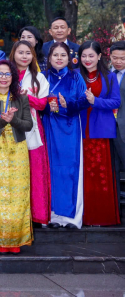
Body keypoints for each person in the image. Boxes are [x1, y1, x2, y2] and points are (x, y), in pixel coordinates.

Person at [0, 60, 34, 253]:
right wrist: (3, 121)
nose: (3, 78)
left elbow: (28, 125)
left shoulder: (21, 99)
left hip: (17, 149)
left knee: (18, 194)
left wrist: (14, 120)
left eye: (7, 74)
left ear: (13, 77)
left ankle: (17, 239)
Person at [42, 42, 87, 229]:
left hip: (69, 128)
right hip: (48, 126)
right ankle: (50, 216)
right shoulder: (42, 77)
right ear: (49, 58)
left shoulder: (76, 77)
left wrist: (66, 103)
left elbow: (84, 100)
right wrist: (47, 106)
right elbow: (33, 102)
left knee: (70, 169)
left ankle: (71, 218)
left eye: (63, 55)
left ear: (69, 58)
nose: (59, 58)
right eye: (55, 55)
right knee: (49, 169)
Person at [77, 41, 121, 226]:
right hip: (79, 131)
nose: (87, 59)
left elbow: (115, 102)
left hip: (100, 132)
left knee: (100, 175)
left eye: (91, 56)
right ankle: (84, 217)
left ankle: (102, 217)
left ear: (99, 56)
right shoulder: (75, 76)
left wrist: (96, 101)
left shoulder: (109, 77)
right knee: (83, 175)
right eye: (84, 56)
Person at [11, 40, 51, 226]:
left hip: (33, 128)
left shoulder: (39, 78)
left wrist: (25, 97)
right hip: (8, 127)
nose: (24, 56)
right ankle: (14, 213)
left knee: (35, 172)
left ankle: (35, 215)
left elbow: (43, 104)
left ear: (33, 56)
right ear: (13, 54)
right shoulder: (5, 74)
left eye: (28, 53)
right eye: (21, 52)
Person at [110, 42, 125, 203]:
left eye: (123, 58)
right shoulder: (107, 74)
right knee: (111, 169)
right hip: (108, 128)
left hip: (123, 126)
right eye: (115, 58)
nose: (118, 61)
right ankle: (114, 205)